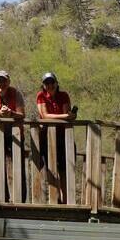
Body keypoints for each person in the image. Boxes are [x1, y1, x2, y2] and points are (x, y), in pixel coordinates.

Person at [0, 70, 25, 202]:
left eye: (4, 81)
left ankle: (19, 200)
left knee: (17, 167)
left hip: (16, 136)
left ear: (8, 82)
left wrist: (11, 113)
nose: (1, 84)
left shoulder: (16, 93)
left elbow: (22, 114)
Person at [36, 72, 76, 203]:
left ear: (56, 83)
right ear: (43, 85)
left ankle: (66, 199)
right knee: (50, 168)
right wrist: (65, 117)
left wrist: (67, 116)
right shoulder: (41, 96)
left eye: (52, 82)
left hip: (64, 137)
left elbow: (67, 112)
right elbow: (45, 115)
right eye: (46, 83)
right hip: (47, 138)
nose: (49, 85)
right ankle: (56, 198)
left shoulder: (63, 95)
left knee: (65, 169)